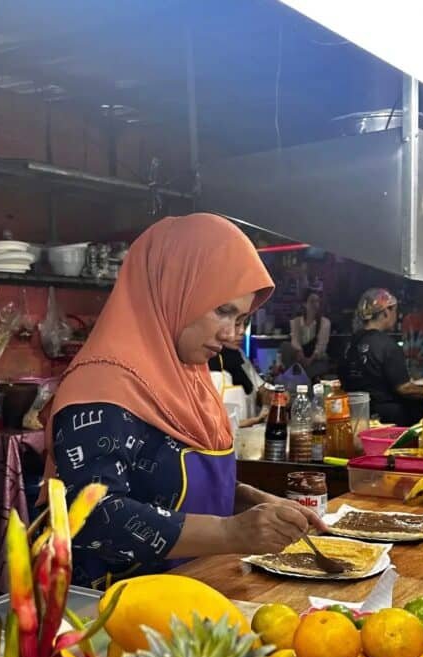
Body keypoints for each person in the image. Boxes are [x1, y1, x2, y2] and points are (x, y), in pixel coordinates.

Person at [46, 213, 322, 588]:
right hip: (110, 613)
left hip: (189, 591)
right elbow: (92, 514)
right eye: (223, 311)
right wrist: (229, 533)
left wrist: (253, 504)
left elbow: (167, 487)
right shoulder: (101, 386)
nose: (231, 335)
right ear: (173, 290)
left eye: (241, 318)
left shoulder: (188, 376)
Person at [339, 287, 423, 426]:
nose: (396, 316)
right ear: (386, 312)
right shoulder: (386, 345)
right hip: (388, 420)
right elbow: (403, 388)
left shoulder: (349, 344)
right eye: (395, 310)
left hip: (354, 417)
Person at [282, 288, 331, 380]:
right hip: (300, 359)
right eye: (312, 301)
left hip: (316, 360)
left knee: (311, 371)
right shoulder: (296, 322)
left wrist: (310, 359)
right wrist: (301, 356)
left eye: (317, 301)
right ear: (305, 304)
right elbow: (295, 341)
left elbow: (321, 345)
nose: (315, 305)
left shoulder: (324, 322)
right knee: (285, 346)